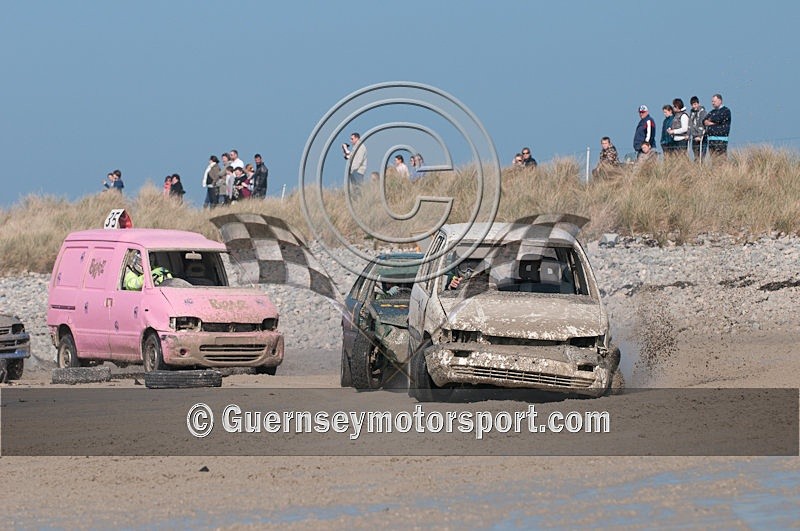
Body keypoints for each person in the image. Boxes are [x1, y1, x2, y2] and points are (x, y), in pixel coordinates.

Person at [704, 93, 732, 158]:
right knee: (713, 160)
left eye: (714, 101)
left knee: (721, 160)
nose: (713, 103)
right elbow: (704, 120)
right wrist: (712, 123)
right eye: (712, 101)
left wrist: (711, 122)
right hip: (711, 140)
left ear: (720, 101)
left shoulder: (726, 111)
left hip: (721, 140)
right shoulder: (712, 112)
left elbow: (719, 119)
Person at [689, 96, 708, 162]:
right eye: (692, 105)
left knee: (701, 156)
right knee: (696, 155)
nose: (694, 106)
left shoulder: (702, 112)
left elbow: (702, 125)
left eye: (695, 104)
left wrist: (700, 136)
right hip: (694, 135)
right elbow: (690, 124)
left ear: (698, 103)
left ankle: (701, 167)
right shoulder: (692, 112)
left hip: (702, 136)